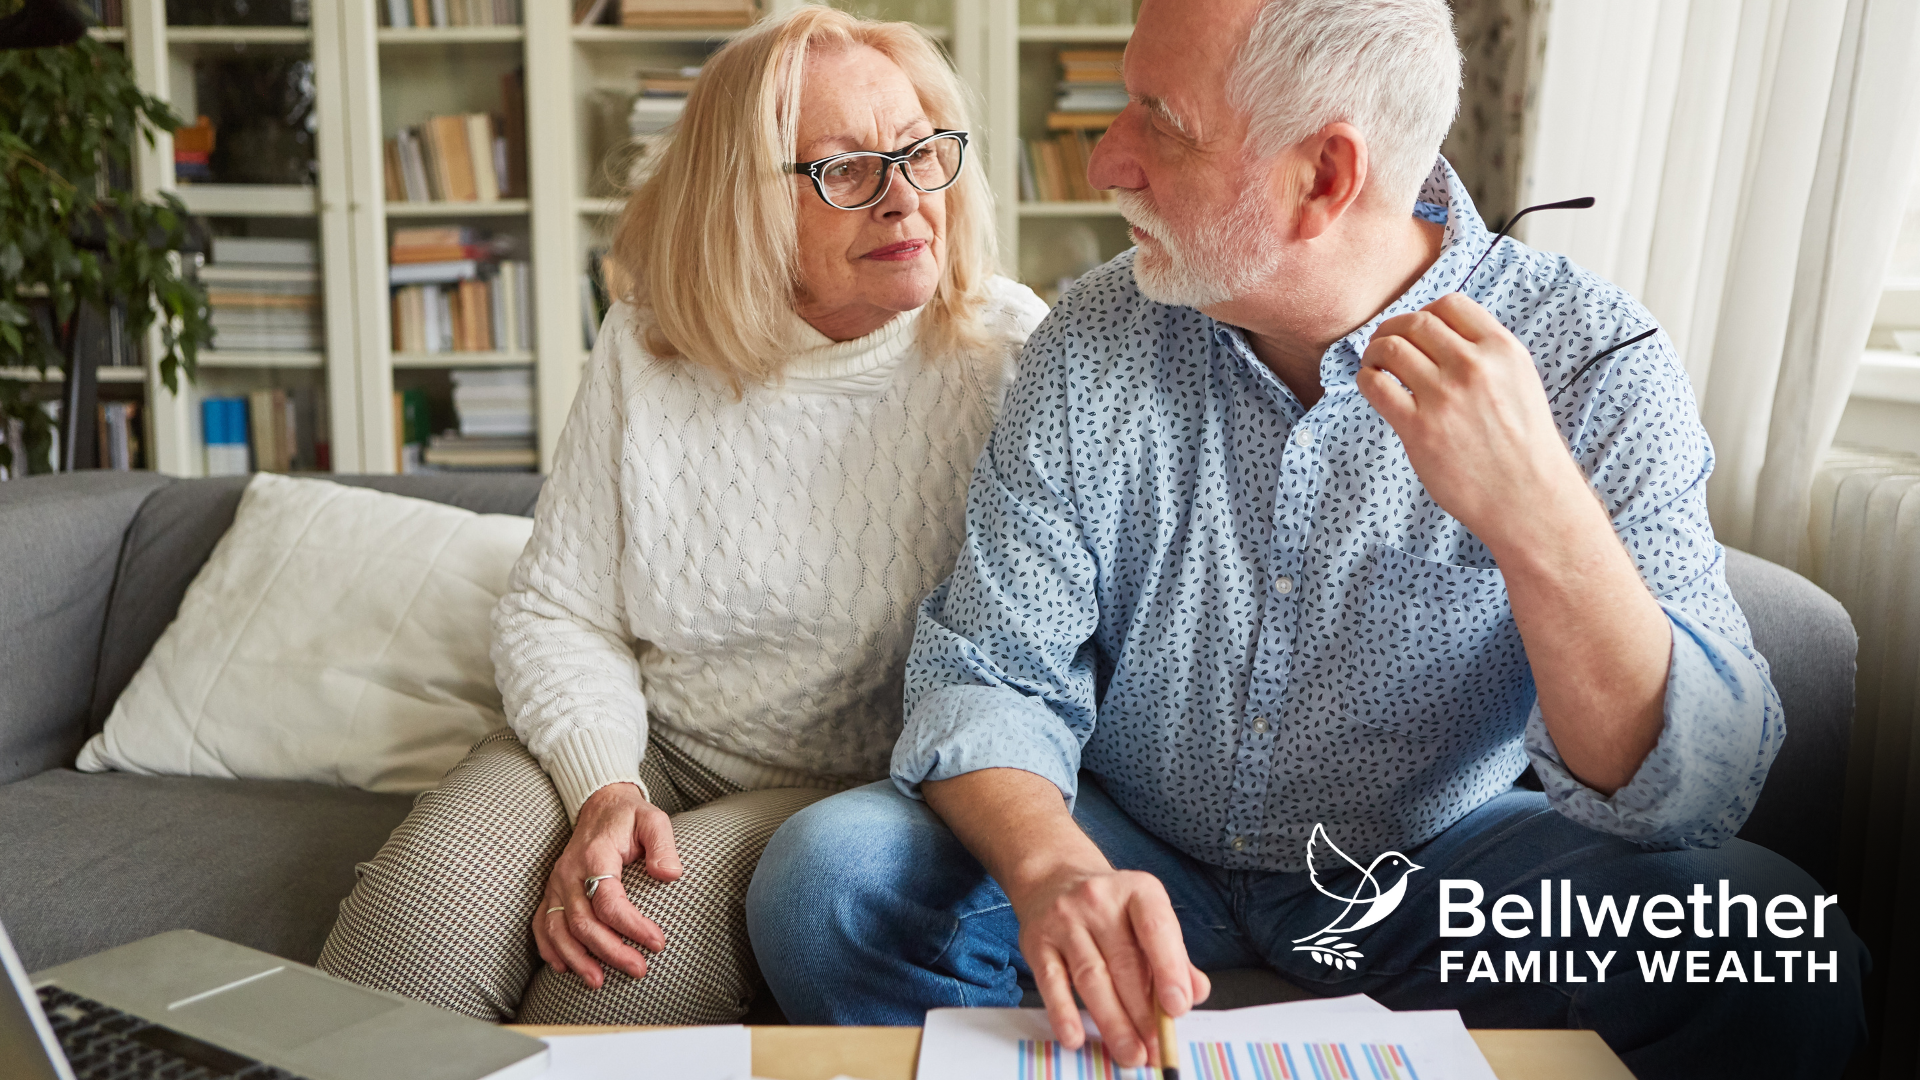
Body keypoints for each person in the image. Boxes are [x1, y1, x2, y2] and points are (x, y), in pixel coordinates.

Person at [746, 0, 1868, 1075]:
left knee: (1774, 953)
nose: (1106, 162)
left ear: (1325, 175)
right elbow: (989, 675)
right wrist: (1052, 872)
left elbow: (1693, 794)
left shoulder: (1591, 359)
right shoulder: (1090, 341)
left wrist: (1541, 519)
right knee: (827, 884)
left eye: (1161, 124)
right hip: (1136, 845)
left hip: (1436, 870)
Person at [316, 6, 1047, 1026]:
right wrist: (605, 790)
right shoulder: (649, 341)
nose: (904, 197)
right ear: (743, 202)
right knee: (410, 934)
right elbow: (561, 611)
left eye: (922, 151)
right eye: (844, 169)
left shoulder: (1010, 357)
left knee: (604, 980)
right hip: (651, 742)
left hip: (846, 793)